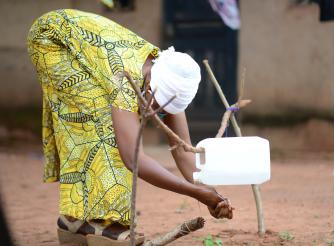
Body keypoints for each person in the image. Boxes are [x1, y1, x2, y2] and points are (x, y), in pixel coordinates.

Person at [27, 9, 233, 246]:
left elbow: (182, 151)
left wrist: (211, 194)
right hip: (51, 39)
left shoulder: (170, 81)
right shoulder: (126, 78)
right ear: (149, 84)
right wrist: (194, 192)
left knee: (105, 125)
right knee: (105, 129)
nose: (158, 112)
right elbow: (133, 159)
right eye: (156, 104)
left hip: (80, 46)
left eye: (165, 110)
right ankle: (103, 224)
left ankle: (75, 222)